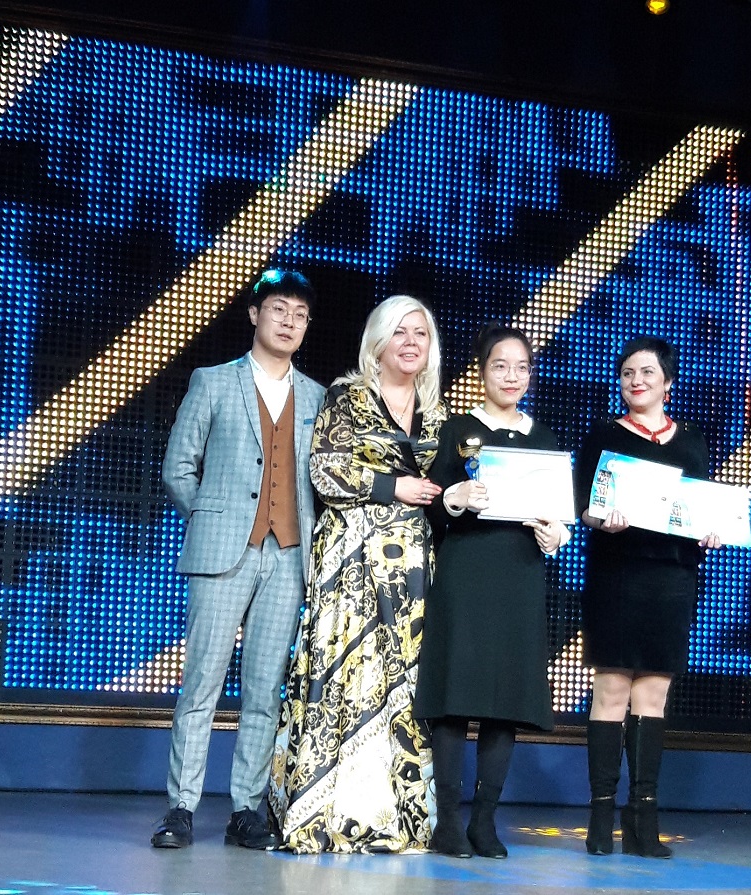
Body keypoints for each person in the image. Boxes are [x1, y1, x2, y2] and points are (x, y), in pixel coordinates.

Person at [151, 270, 326, 851]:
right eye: (278, 309)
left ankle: (245, 808)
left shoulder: (318, 398)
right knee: (201, 683)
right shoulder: (213, 382)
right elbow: (179, 468)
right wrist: (213, 520)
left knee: (264, 691)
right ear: (255, 314)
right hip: (224, 553)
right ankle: (181, 806)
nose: (288, 322)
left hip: (288, 558)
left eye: (299, 315)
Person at [269, 294, 447, 854]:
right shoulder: (348, 396)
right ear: (379, 341)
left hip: (412, 571)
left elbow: (448, 488)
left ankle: (397, 818)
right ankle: (323, 812)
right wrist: (394, 487)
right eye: (400, 332)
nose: (411, 342)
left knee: (404, 683)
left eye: (420, 333)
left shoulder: (441, 414)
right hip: (349, 562)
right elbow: (325, 471)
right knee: (343, 674)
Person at [414, 323, 570, 860]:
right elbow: (433, 506)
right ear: (482, 372)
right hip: (466, 573)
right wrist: (453, 498)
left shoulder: (543, 438)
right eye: (500, 366)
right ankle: (447, 823)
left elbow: (557, 511)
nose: (511, 376)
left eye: (521, 367)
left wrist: (557, 535)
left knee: (505, 701)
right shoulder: (458, 429)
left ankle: (484, 822)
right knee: (456, 697)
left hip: (520, 576)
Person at [574, 336, 721, 859]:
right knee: (611, 693)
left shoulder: (692, 441)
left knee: (652, 697)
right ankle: (600, 819)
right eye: (628, 373)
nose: (636, 381)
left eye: (647, 373)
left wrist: (710, 531)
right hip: (617, 577)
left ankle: (643, 819)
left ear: (668, 383)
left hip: (672, 580)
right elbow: (583, 507)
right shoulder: (603, 434)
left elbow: (701, 508)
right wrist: (601, 519)